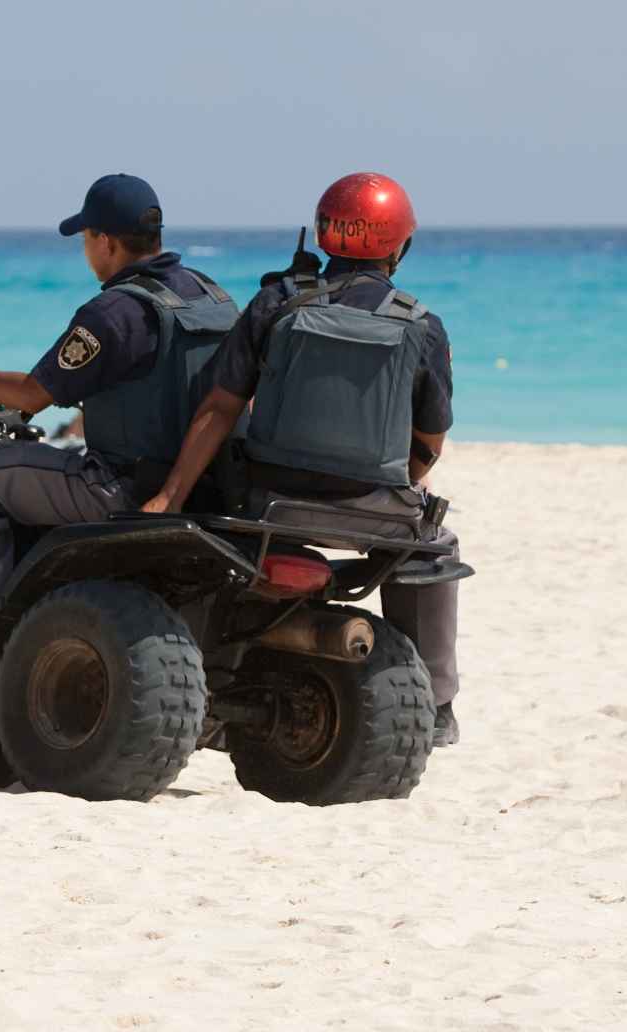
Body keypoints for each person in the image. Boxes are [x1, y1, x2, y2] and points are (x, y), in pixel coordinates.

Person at [141, 172, 465, 747]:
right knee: (435, 548)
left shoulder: (277, 302)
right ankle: (436, 708)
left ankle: (205, 672)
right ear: (400, 246)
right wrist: (398, 486)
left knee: (206, 521)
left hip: (270, 500)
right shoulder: (422, 326)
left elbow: (218, 408)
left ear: (323, 236)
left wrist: (168, 498)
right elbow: (431, 442)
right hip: (380, 508)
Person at [0, 173, 238, 691]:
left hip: (118, 487)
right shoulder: (213, 297)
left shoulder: (115, 312)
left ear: (106, 241)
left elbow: (34, 395)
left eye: (86, 239)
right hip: (203, 487)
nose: (86, 251)